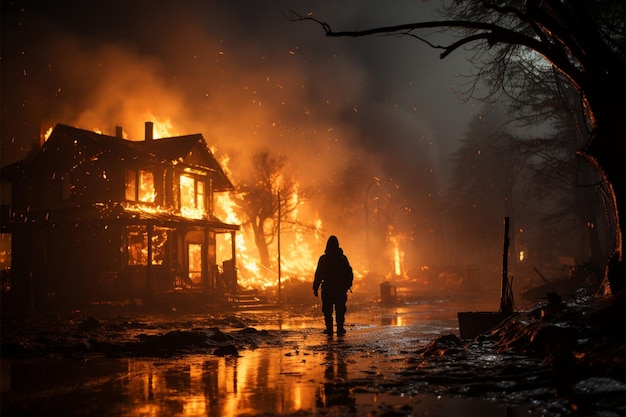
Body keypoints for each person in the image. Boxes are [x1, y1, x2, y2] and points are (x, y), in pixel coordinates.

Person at [313, 235, 353, 335]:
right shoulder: (342, 258)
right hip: (340, 289)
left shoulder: (323, 259)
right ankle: (340, 328)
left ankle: (329, 329)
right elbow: (349, 273)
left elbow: (318, 274)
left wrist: (315, 288)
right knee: (340, 309)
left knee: (327, 310)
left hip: (328, 289)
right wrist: (347, 285)